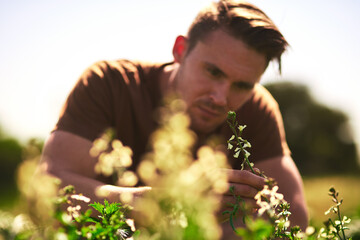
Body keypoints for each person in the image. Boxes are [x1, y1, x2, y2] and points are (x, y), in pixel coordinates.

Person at [40, 0, 308, 237]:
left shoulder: (258, 108)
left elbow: (295, 217)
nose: (220, 98)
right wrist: (164, 202)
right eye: (213, 72)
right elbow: (51, 185)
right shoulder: (110, 83)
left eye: (242, 86)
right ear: (180, 49)